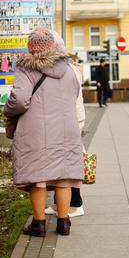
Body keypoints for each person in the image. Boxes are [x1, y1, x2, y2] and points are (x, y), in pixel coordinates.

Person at [4, 28, 84, 237]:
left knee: (38, 178)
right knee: (64, 177)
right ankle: (63, 223)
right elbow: (74, 95)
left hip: (36, 130)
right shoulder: (68, 69)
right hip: (67, 129)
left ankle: (38, 225)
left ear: (30, 47)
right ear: (53, 46)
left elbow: (20, 100)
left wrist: (7, 109)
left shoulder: (26, 68)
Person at [45, 31, 85, 218]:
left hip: (71, 119)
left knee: (69, 163)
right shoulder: (67, 67)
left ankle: (76, 204)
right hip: (68, 118)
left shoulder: (68, 69)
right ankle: (59, 203)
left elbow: (71, 99)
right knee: (62, 162)